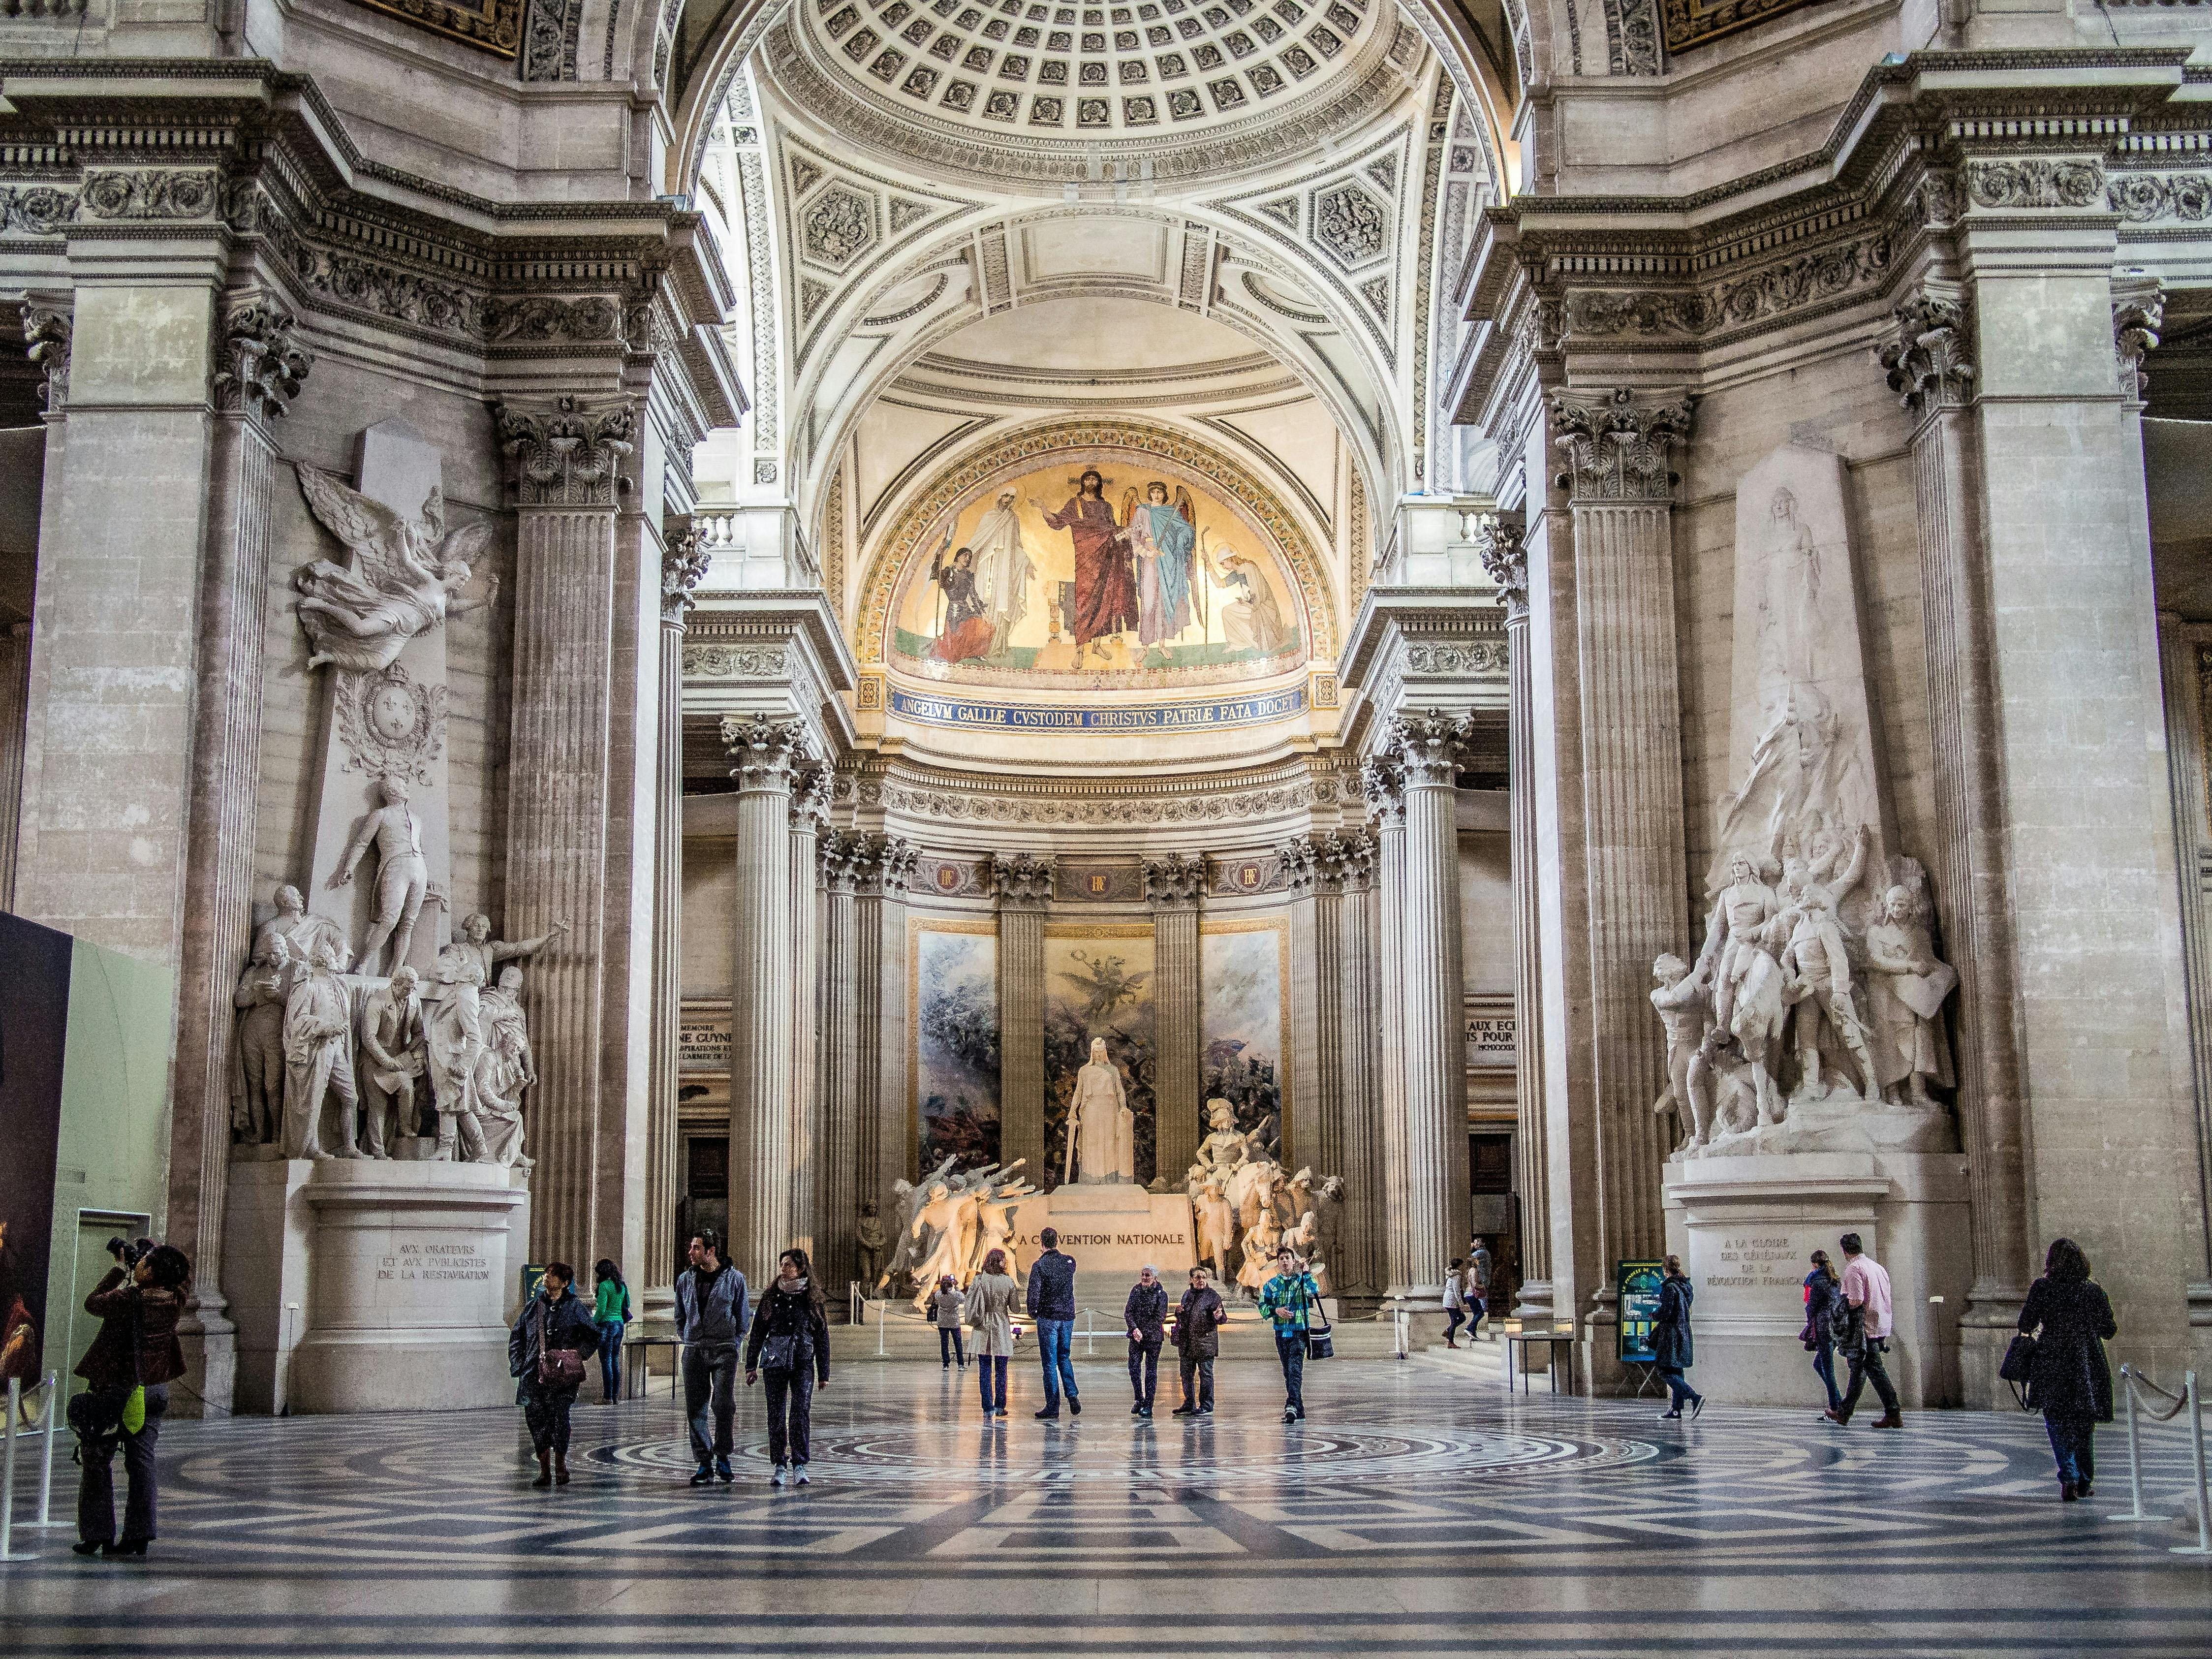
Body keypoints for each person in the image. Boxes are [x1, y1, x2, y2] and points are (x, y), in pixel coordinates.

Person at [71, 1242, 189, 1558]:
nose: (139, 1264)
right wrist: (154, 1252)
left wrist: (121, 1269)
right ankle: (139, 1536)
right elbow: (181, 1276)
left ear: (150, 1272)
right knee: (141, 1462)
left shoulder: (129, 1298)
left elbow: (92, 1303)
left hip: (117, 1390)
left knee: (97, 1460)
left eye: (145, 1263)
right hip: (152, 1390)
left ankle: (97, 1535)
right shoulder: (177, 1298)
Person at [2019, 1237, 2117, 1501]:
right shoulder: (2093, 1291)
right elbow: (2109, 1330)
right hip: (2087, 1360)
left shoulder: (2042, 1288)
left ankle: (2069, 1475)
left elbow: (2026, 1324)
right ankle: (2084, 1480)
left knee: (2057, 1420)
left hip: (2052, 1358)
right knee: (2084, 1423)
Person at [508, 1261, 598, 1488]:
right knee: (536, 1421)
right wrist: (518, 1364)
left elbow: (592, 1336)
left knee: (560, 1419)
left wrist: (577, 1355)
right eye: (547, 1274)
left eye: (553, 1275)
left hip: (563, 1376)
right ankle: (544, 1469)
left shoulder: (575, 1307)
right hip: (533, 1374)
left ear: (565, 1283)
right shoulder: (532, 1307)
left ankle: (561, 1465)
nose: (547, 1277)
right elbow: (517, 1337)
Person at [746, 1248, 831, 1486]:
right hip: (774, 1362)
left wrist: (824, 1372)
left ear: (801, 1269)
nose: (784, 1270)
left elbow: (822, 1336)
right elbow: (758, 1332)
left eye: (789, 1266)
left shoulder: (812, 1298)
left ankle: (800, 1463)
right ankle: (779, 1463)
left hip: (803, 1362)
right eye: (782, 1265)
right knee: (775, 1413)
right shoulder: (771, 1296)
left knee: (800, 1412)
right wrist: (751, 1365)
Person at [675, 1230, 750, 1485]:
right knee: (695, 1407)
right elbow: (680, 1314)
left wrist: (735, 1341)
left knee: (723, 1404)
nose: (691, 1253)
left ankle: (723, 1456)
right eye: (691, 1247)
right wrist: (688, 1335)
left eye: (696, 1248)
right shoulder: (685, 1279)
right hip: (694, 1349)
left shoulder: (735, 1279)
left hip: (724, 1349)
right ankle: (704, 1461)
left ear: (711, 1251)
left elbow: (743, 1316)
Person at [1826, 1231, 1902, 1429]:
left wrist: (1841, 1311)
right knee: (1859, 1370)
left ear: (1845, 1251)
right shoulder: (1877, 1267)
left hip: (1864, 1328)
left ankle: (1893, 1412)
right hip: (1879, 1324)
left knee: (1874, 1370)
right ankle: (1844, 1412)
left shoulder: (1854, 1269)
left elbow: (1856, 1300)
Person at [1257, 1246, 1321, 1423]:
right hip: (1281, 1333)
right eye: (1282, 1259)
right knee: (1287, 1371)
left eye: (1288, 1258)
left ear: (1294, 1261)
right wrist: (1276, 1310)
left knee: (1295, 1370)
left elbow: (1315, 1291)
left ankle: (1291, 1405)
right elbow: (1263, 1307)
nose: (1285, 1261)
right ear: (1278, 1263)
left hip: (1299, 1332)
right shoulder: (1270, 1284)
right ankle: (1299, 1409)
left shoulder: (1301, 1281)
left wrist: (1307, 1274)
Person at [1026, 1225, 1080, 1419]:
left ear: (1041, 1243)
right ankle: (1072, 1394)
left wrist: (1033, 1312)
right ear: (1057, 1241)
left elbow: (1034, 1293)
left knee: (1049, 1362)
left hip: (1048, 1317)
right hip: (1066, 1316)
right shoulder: (1069, 1262)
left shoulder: (1040, 1266)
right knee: (1064, 1356)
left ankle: (1053, 1405)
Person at [965, 1247, 1020, 1419]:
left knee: (984, 1370)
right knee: (1002, 1371)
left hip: (982, 1328)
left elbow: (970, 1302)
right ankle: (1000, 1406)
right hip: (1001, 1327)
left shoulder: (979, 1280)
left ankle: (987, 1407)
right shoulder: (1008, 1282)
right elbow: (1016, 1308)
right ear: (1002, 1262)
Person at [1652, 1254, 1705, 1420]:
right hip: (1683, 1331)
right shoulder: (1685, 1286)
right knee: (1676, 1369)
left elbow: (1667, 1312)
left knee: (1664, 1369)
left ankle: (1694, 1397)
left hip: (1671, 1334)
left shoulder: (1670, 1287)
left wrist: (1655, 1314)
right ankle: (1676, 1410)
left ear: (1666, 1270)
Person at [1171, 1265, 1225, 1416]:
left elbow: (1222, 1318)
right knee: (1186, 1373)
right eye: (1198, 1277)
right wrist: (1179, 1313)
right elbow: (1185, 1318)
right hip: (1187, 1343)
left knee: (1205, 1374)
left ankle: (1207, 1404)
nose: (1201, 1280)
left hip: (1205, 1343)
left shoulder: (1212, 1296)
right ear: (1191, 1280)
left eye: (1204, 1277)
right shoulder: (1187, 1294)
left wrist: (1218, 1316)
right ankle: (1189, 1403)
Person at [1802, 1250, 1844, 1416]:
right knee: (1819, 1364)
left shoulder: (1817, 1282)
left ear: (1814, 1265)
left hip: (1823, 1327)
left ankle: (1836, 1407)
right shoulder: (1835, 1281)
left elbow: (1811, 1307)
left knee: (1827, 1367)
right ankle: (1838, 1401)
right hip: (1834, 1326)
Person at [1124, 1265, 1168, 1417]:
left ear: (1155, 1277)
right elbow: (1128, 1312)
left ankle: (1149, 1404)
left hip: (1153, 1339)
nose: (1144, 1278)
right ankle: (1139, 1398)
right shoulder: (1136, 1291)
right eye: (1143, 1275)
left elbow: (1159, 1318)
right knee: (1134, 1368)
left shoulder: (1162, 1295)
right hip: (1136, 1337)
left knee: (1151, 1372)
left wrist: (1143, 1332)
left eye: (1148, 1275)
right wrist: (1135, 1329)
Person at [592, 1259, 630, 1404]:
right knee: (615, 1359)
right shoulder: (621, 1285)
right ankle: (615, 1396)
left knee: (606, 1360)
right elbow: (628, 1304)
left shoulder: (604, 1286)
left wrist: (593, 1323)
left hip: (607, 1326)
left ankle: (607, 1397)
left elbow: (601, 1309)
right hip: (620, 1324)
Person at [931, 1273, 967, 1369]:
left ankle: (946, 1364)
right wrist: (957, 1286)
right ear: (952, 1284)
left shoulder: (939, 1294)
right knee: (958, 1343)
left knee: (944, 1343)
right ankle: (960, 1364)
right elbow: (963, 1299)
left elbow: (938, 1295)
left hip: (942, 1322)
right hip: (954, 1322)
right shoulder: (955, 1294)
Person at [1467, 1239, 1494, 1340]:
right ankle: (1471, 1330)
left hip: (1482, 1280)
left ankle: (1471, 1329)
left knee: (1482, 1302)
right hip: (1480, 1281)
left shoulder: (1482, 1252)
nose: (1475, 1244)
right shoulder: (1473, 1270)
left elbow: (1471, 1258)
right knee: (1479, 1309)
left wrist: (1471, 1248)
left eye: (1476, 1243)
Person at [1442, 1259, 1469, 1348]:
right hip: (1452, 1300)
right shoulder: (1456, 1276)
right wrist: (1461, 1304)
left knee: (1461, 1318)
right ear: (1459, 1266)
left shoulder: (1450, 1273)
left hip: (1448, 1299)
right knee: (1455, 1320)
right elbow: (1456, 1290)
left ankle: (1448, 1331)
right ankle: (1451, 1342)